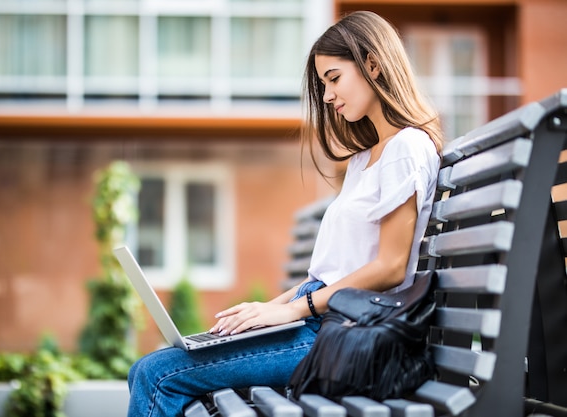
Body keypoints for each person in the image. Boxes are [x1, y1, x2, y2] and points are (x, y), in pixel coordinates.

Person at [126, 10, 443, 417]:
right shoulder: (365, 160)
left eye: (333, 78)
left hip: (341, 334)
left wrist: (293, 310)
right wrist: (266, 309)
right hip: (320, 321)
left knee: (157, 375)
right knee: (144, 369)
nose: (327, 96)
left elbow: (391, 267)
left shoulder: (407, 148)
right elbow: (329, 274)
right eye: (324, 84)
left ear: (374, 65)